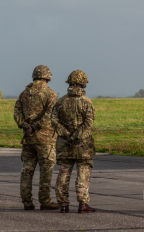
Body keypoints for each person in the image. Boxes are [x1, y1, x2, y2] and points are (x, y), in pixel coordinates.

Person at [13, 65, 59, 211]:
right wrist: (37, 126)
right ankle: (45, 201)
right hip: (45, 139)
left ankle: (27, 202)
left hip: (28, 139)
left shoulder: (24, 94)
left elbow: (17, 112)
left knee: (27, 170)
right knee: (46, 170)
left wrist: (25, 126)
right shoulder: (50, 94)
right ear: (47, 77)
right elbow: (51, 115)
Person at [51, 70, 96, 213]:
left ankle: (63, 204)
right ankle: (83, 204)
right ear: (83, 84)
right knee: (83, 173)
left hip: (64, 144)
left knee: (63, 173)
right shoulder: (87, 102)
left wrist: (66, 134)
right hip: (83, 146)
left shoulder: (61, 102)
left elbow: (54, 120)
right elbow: (88, 124)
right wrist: (77, 136)